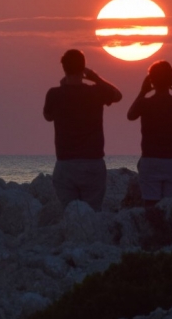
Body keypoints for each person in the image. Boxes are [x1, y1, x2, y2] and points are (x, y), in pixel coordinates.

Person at [43, 49, 122, 210]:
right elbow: (117, 95)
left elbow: (48, 116)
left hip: (65, 163)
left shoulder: (54, 94)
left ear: (64, 68)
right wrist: (95, 78)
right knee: (92, 216)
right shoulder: (96, 92)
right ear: (83, 67)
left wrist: (63, 88)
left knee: (70, 215)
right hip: (92, 163)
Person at [127, 60, 172, 205]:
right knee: (170, 206)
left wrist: (142, 91)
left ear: (151, 81)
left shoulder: (145, 103)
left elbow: (131, 115)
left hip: (150, 159)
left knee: (150, 205)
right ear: (171, 81)